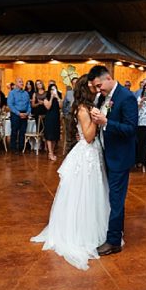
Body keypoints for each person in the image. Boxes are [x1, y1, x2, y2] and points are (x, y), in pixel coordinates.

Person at [31, 76, 109, 270]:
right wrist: (99, 119)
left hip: (91, 154)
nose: (96, 88)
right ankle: (80, 232)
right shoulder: (83, 109)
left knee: (93, 192)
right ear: (86, 88)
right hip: (86, 153)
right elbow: (89, 137)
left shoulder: (85, 107)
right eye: (93, 86)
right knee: (83, 192)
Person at [87, 65, 138, 256]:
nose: (98, 90)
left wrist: (106, 122)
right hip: (105, 153)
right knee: (109, 195)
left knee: (116, 199)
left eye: (99, 85)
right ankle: (114, 229)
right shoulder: (102, 97)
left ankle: (114, 241)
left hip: (120, 157)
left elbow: (131, 129)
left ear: (108, 78)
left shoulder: (127, 97)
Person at [7, 78, 30, 154]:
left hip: (24, 114)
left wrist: (27, 113)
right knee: (14, 131)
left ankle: (21, 148)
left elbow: (29, 105)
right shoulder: (12, 93)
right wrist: (18, 113)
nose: (22, 83)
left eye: (22, 82)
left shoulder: (26, 93)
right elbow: (10, 105)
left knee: (22, 132)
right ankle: (13, 148)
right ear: (16, 83)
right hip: (15, 114)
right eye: (20, 82)